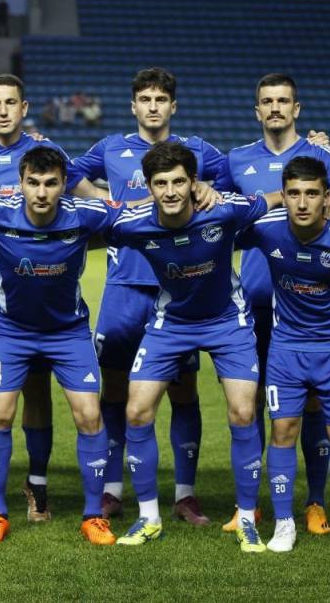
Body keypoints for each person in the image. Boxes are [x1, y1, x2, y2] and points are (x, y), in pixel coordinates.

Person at [106, 141, 330, 551]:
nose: (170, 191)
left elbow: (276, 198)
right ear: (149, 187)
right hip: (171, 322)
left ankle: (246, 517)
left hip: (228, 321)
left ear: (194, 183)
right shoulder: (133, 222)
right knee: (136, 410)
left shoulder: (223, 209)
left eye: (179, 182)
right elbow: (78, 224)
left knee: (244, 411)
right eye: (161, 184)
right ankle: (148, 517)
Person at [0, 147, 123, 545]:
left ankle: (93, 516)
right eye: (33, 183)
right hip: (10, 331)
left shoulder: (85, 214)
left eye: (51, 183)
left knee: (89, 415)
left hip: (68, 332)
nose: (42, 192)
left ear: (64, 184)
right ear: (21, 183)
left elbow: (137, 213)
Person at [72, 67, 228, 524]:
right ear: (134, 106)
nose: (153, 106)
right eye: (145, 99)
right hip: (124, 286)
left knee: (183, 390)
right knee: (115, 390)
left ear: (172, 106)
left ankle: (184, 494)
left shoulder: (196, 150)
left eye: (161, 99)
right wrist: (111, 205)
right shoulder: (111, 148)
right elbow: (69, 174)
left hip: (176, 289)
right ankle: (113, 489)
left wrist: (207, 187)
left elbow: (235, 176)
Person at [217, 73, 330, 534]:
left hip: (307, 313)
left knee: (315, 406)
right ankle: (252, 505)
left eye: (283, 100)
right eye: (267, 101)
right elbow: (221, 207)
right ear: (257, 110)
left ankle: (315, 501)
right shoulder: (237, 159)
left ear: (296, 108)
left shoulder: (321, 154)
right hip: (253, 304)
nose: (276, 108)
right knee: (256, 405)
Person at [235, 156, 330, 555]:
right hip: (286, 348)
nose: (302, 203)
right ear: (283, 195)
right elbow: (220, 231)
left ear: (326, 197)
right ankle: (284, 524)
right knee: (283, 432)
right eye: (294, 193)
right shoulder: (267, 228)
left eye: (312, 193)